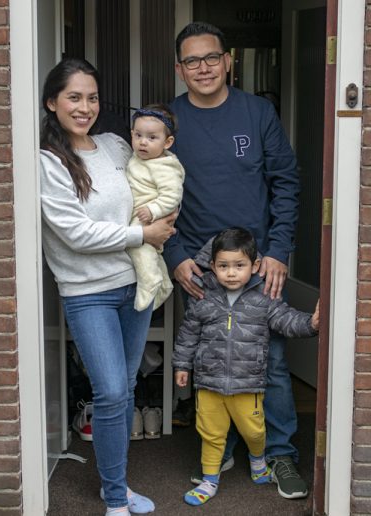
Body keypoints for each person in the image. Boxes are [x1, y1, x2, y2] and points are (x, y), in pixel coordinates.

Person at [163, 21, 306, 499]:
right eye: (191, 61)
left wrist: (280, 250)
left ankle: (281, 454)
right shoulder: (171, 122)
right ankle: (218, 447)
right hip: (201, 269)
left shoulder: (258, 112)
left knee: (273, 364)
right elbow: (154, 195)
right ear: (180, 69)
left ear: (228, 61)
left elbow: (285, 183)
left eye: (211, 58)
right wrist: (176, 254)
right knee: (208, 364)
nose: (202, 68)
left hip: (258, 266)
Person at [39, 57, 176, 516]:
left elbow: (149, 191)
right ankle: (116, 499)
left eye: (92, 97)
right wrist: (143, 234)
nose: (85, 107)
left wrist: (161, 217)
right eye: (74, 97)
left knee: (125, 389)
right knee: (112, 391)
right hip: (87, 293)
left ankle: (114, 486)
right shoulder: (48, 162)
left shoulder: (118, 145)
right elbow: (75, 234)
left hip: (133, 285)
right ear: (52, 102)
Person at [173, 228, 320, 506]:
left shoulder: (264, 297)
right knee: (210, 432)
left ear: (253, 266)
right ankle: (209, 480)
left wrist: (311, 324)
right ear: (213, 266)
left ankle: (258, 460)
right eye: (224, 266)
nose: (231, 273)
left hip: (248, 384)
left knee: (254, 431)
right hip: (209, 383)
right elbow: (188, 333)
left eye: (239, 266)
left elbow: (286, 320)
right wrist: (182, 365)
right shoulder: (203, 296)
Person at [126, 103, 185, 311]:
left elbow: (173, 195)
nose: (143, 142)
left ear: (167, 142)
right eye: (138, 135)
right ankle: (164, 284)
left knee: (137, 246)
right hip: (141, 212)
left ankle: (149, 281)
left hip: (149, 216)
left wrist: (153, 211)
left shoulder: (165, 167)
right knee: (153, 254)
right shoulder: (137, 157)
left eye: (152, 138)